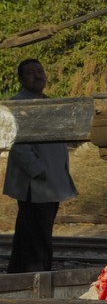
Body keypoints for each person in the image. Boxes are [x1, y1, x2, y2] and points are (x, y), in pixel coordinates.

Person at [4, 59, 78, 273]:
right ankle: (36, 276)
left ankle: (19, 274)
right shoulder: (18, 104)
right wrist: (37, 171)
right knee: (37, 236)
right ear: (21, 79)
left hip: (49, 181)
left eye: (39, 71)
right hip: (35, 184)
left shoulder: (46, 102)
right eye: (30, 73)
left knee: (31, 233)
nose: (37, 76)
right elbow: (15, 142)